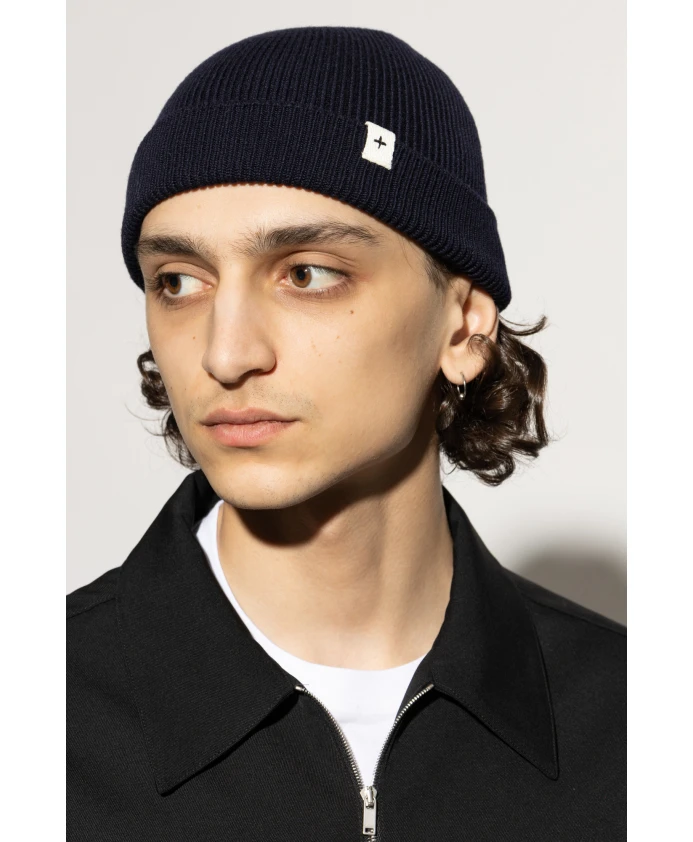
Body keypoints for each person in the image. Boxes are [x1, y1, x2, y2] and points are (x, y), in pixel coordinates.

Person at [67, 26, 626, 841]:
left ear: (463, 327)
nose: (225, 354)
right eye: (178, 282)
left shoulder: (633, 726)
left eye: (307, 274)